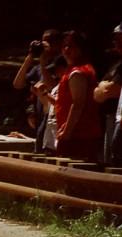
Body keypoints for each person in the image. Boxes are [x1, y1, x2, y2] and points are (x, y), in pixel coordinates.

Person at [52, 31, 102, 162]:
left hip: (79, 135)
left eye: (71, 46)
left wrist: (67, 132)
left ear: (81, 48)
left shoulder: (78, 72)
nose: (66, 49)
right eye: (64, 46)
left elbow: (78, 104)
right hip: (75, 133)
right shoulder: (71, 69)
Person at [13, 29, 63, 149]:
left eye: (50, 41)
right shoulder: (38, 68)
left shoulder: (61, 65)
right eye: (43, 41)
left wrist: (43, 61)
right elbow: (18, 84)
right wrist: (30, 56)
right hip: (40, 116)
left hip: (53, 117)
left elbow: (50, 85)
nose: (45, 44)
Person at [93, 23, 122, 164]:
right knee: (110, 160)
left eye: (121, 38)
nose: (116, 43)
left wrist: (104, 87)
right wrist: (103, 88)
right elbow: (98, 94)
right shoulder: (117, 65)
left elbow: (108, 90)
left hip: (118, 120)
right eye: (115, 39)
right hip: (111, 119)